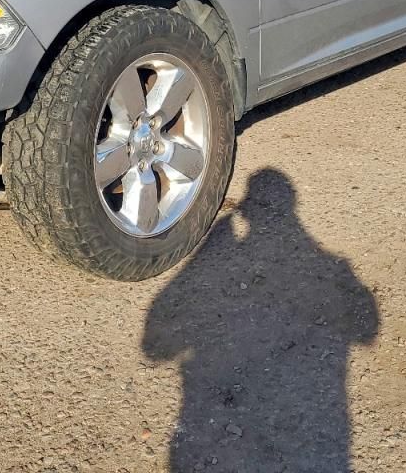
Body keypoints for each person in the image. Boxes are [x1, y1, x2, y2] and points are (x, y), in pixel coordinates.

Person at [144, 168, 379, 472]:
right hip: (323, 428)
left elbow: (154, 348)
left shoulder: (329, 268)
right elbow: (368, 330)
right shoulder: (335, 266)